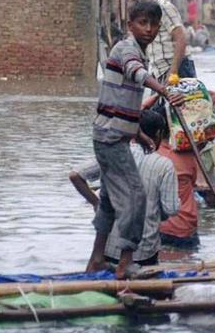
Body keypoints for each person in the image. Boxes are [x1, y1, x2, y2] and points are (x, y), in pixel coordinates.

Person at [87, 0, 182, 277]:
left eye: (153, 24)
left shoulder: (140, 52)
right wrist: (163, 91)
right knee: (136, 196)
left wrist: (137, 133)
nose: (149, 29)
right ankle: (126, 263)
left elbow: (122, 100)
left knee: (107, 199)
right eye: (142, 23)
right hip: (110, 137)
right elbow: (137, 75)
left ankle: (96, 259)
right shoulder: (126, 49)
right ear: (131, 25)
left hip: (113, 134)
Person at [70, 110, 180, 270]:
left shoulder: (114, 154)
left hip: (108, 245)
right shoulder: (164, 165)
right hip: (143, 250)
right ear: (158, 134)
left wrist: (96, 203)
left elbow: (76, 175)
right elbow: (172, 209)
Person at [125, 0, 195, 81]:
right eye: (134, 1)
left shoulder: (164, 8)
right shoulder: (149, 11)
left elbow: (181, 38)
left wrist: (173, 71)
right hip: (160, 70)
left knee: (180, 96)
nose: (137, 3)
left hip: (175, 68)